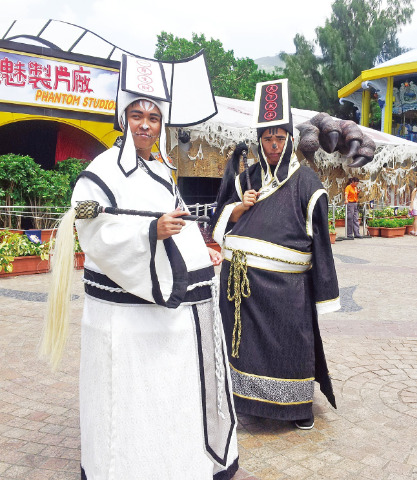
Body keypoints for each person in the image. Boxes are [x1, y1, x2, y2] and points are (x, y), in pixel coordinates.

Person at [42, 54, 238, 480]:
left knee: (164, 404)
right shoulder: (101, 173)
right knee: (127, 408)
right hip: (124, 324)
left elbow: (176, 219)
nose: (146, 125)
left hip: (164, 321)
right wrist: (149, 235)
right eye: (137, 115)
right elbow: (96, 233)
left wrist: (198, 247)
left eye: (153, 116)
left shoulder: (161, 171)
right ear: (123, 118)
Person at [211, 79, 340, 430]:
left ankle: (297, 408)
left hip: (286, 289)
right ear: (259, 140)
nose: (273, 145)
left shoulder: (308, 183)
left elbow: (321, 241)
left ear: (291, 140)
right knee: (244, 346)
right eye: (267, 138)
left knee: (291, 347)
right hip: (241, 284)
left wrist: (324, 292)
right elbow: (217, 220)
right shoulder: (246, 179)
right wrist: (237, 209)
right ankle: (245, 401)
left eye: (280, 138)